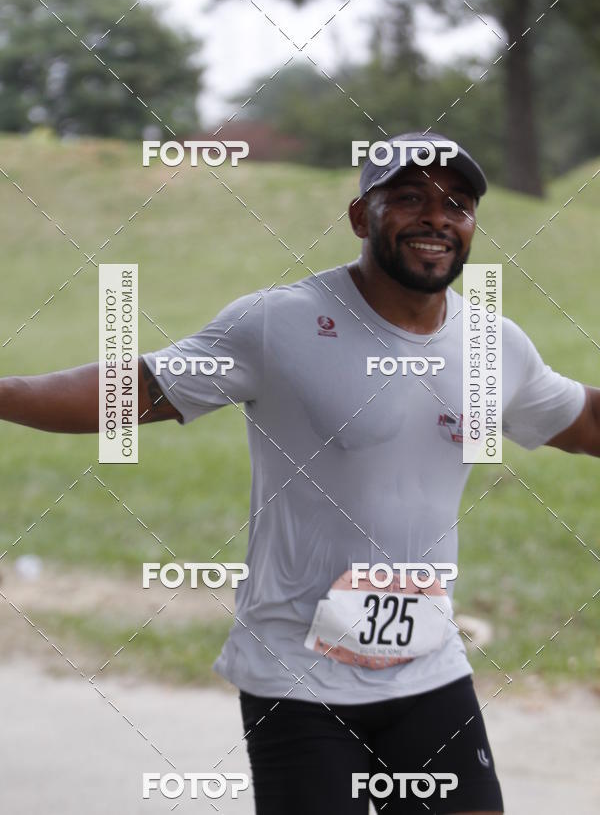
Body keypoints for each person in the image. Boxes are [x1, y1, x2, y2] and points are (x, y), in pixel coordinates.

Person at [1, 132, 598, 814]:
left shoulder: (495, 346)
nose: (437, 217)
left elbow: (587, 423)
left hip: (430, 667)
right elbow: (130, 391)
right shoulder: (279, 324)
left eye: (457, 204)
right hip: (298, 679)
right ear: (359, 217)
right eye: (409, 199)